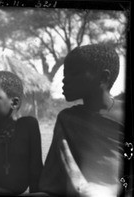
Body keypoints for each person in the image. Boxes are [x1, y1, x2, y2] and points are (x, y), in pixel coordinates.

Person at [39, 44, 124, 197]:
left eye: (74, 73)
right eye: (65, 74)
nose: (65, 81)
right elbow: (53, 179)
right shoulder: (67, 118)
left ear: (103, 78)